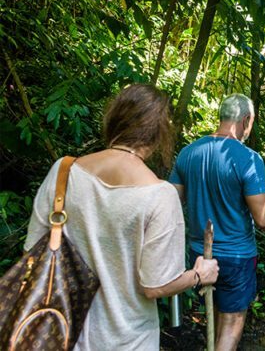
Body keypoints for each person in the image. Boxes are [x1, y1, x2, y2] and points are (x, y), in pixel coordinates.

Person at [24, 84, 219, 350]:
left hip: (61, 334)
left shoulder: (64, 171)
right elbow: (155, 286)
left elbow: (32, 252)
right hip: (129, 340)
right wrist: (199, 274)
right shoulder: (160, 195)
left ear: (114, 120)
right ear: (159, 134)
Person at [170, 93, 265, 351]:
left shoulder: (188, 153)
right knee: (232, 321)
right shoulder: (248, 158)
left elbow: (171, 202)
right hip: (236, 257)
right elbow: (263, 219)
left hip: (200, 255)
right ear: (246, 120)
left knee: (218, 309)